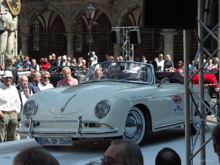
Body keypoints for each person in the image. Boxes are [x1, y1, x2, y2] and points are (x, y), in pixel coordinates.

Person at [0, 71, 21, 142]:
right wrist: (1, 114)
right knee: (1, 136)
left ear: (12, 79)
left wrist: (16, 112)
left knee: (12, 137)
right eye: (6, 78)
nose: (8, 79)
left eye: (9, 78)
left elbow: (18, 102)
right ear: (3, 79)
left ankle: (10, 152)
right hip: (3, 114)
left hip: (13, 114)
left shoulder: (14, 89)